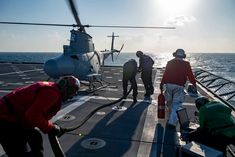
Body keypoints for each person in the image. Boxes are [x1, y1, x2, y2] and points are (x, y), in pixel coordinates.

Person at [0, 76, 80, 157]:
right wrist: (50, 128)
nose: (71, 96)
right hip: (6, 119)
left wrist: (52, 127)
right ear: (65, 88)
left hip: (14, 118)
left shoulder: (51, 88)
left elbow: (36, 115)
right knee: (19, 152)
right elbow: (32, 115)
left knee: (36, 138)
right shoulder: (52, 94)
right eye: (72, 91)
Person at [160, 49, 197, 127]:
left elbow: (165, 74)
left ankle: (170, 118)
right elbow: (190, 75)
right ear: (183, 56)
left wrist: (162, 83)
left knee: (169, 103)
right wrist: (194, 84)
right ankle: (171, 122)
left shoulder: (170, 62)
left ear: (175, 55)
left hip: (169, 85)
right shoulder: (186, 64)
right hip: (179, 86)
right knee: (176, 104)